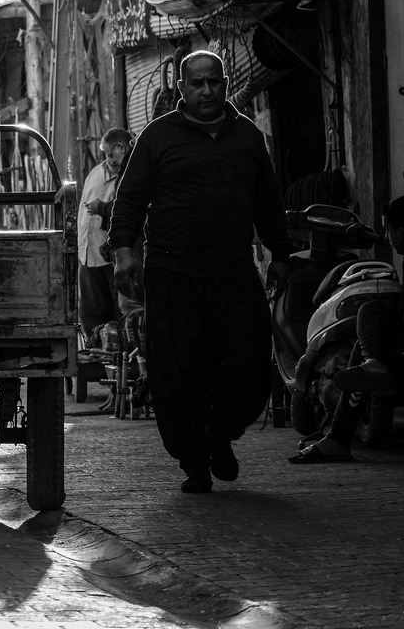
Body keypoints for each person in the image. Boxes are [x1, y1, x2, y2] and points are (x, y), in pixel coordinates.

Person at [109, 50, 291, 494]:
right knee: (178, 373)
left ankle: (220, 435)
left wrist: (281, 254)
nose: (206, 90)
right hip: (173, 274)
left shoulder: (247, 137)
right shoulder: (157, 137)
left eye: (214, 82)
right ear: (183, 89)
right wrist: (123, 253)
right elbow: (129, 200)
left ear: (225, 84)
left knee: (249, 365)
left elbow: (268, 200)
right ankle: (194, 462)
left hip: (233, 273)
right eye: (198, 84)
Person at [289, 195, 404, 464]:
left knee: (363, 345)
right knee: (370, 309)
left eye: (389, 230)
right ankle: (372, 364)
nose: (387, 236)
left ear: (402, 234)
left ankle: (339, 437)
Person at [77, 127, 132, 339]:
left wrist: (102, 207)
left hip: (113, 259)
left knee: (120, 312)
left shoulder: (129, 176)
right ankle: (95, 355)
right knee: (91, 313)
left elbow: (124, 209)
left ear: (121, 148)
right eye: (106, 155)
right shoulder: (95, 173)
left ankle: (121, 359)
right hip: (88, 257)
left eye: (111, 154)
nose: (109, 160)